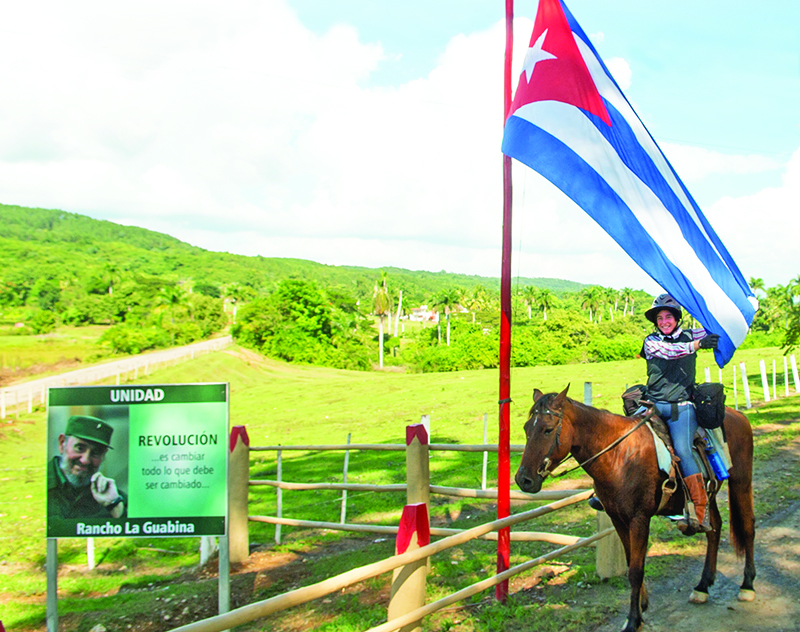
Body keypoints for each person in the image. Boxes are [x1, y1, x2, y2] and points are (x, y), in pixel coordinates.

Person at [642, 294, 719, 534]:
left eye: (669, 316)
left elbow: (713, 327)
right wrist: (698, 345)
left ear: (677, 318)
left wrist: (702, 306)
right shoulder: (651, 341)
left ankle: (700, 511)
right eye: (660, 318)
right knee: (627, 439)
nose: (664, 321)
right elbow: (671, 352)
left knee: (683, 451)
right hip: (654, 406)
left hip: (682, 407)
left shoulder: (692, 334)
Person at [48, 415, 127, 519]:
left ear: (104, 455)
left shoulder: (114, 499)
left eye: (96, 452)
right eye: (79, 448)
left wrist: (113, 505)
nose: (85, 460)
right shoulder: (37, 482)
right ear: (62, 443)